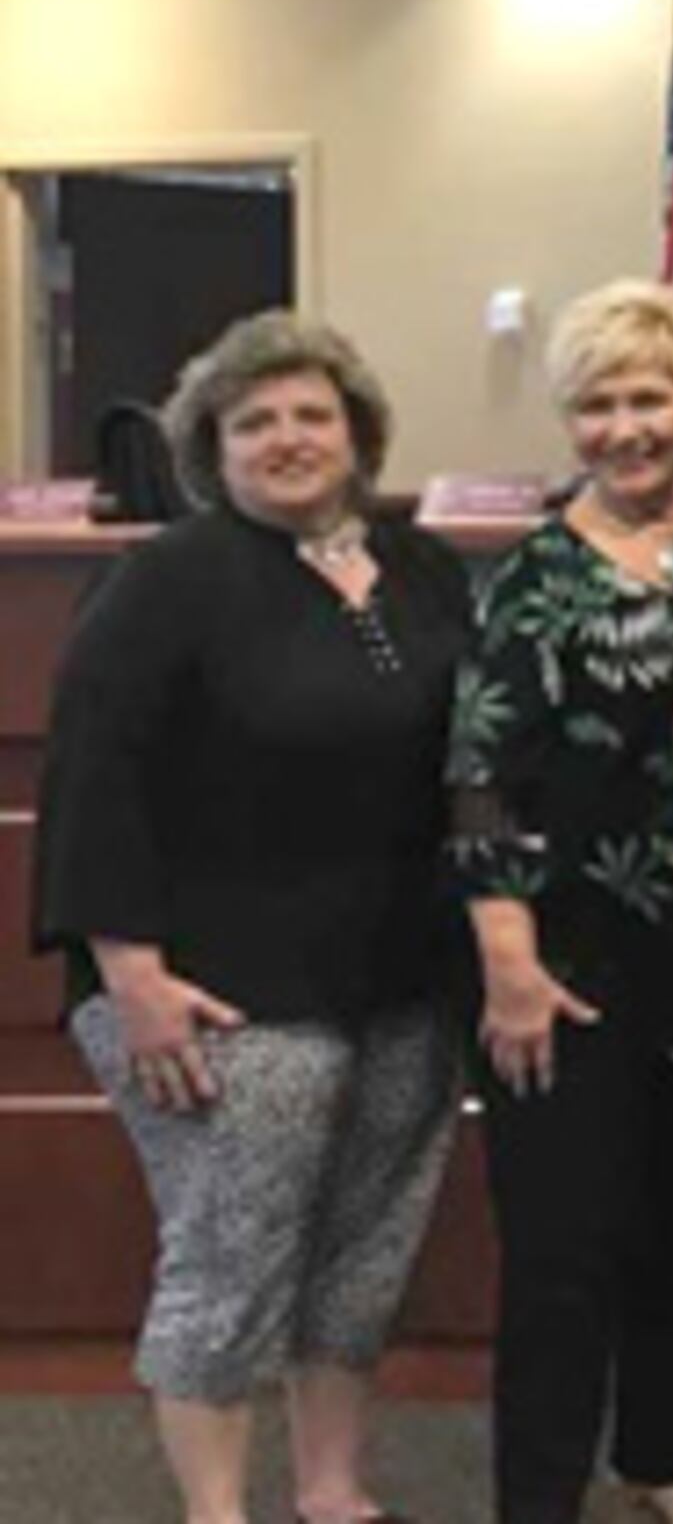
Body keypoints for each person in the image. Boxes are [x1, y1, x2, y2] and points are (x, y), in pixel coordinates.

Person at [32, 310, 471, 1524]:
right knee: (231, 1262)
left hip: (399, 981)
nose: (287, 439)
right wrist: (131, 975)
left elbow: (477, 759)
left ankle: (332, 1492)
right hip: (212, 991)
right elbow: (93, 781)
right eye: (254, 422)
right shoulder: (165, 580)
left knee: (362, 1255)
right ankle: (216, 1514)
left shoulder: (423, 569)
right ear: (211, 449)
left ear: (359, 432)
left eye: (311, 415)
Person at [449, 280, 673, 1524]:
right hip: (568, 961)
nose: (627, 428)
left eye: (652, 398)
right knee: (564, 1258)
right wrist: (507, 960)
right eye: (599, 405)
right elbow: (480, 777)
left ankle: (662, 1466)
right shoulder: (534, 575)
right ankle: (540, 1498)